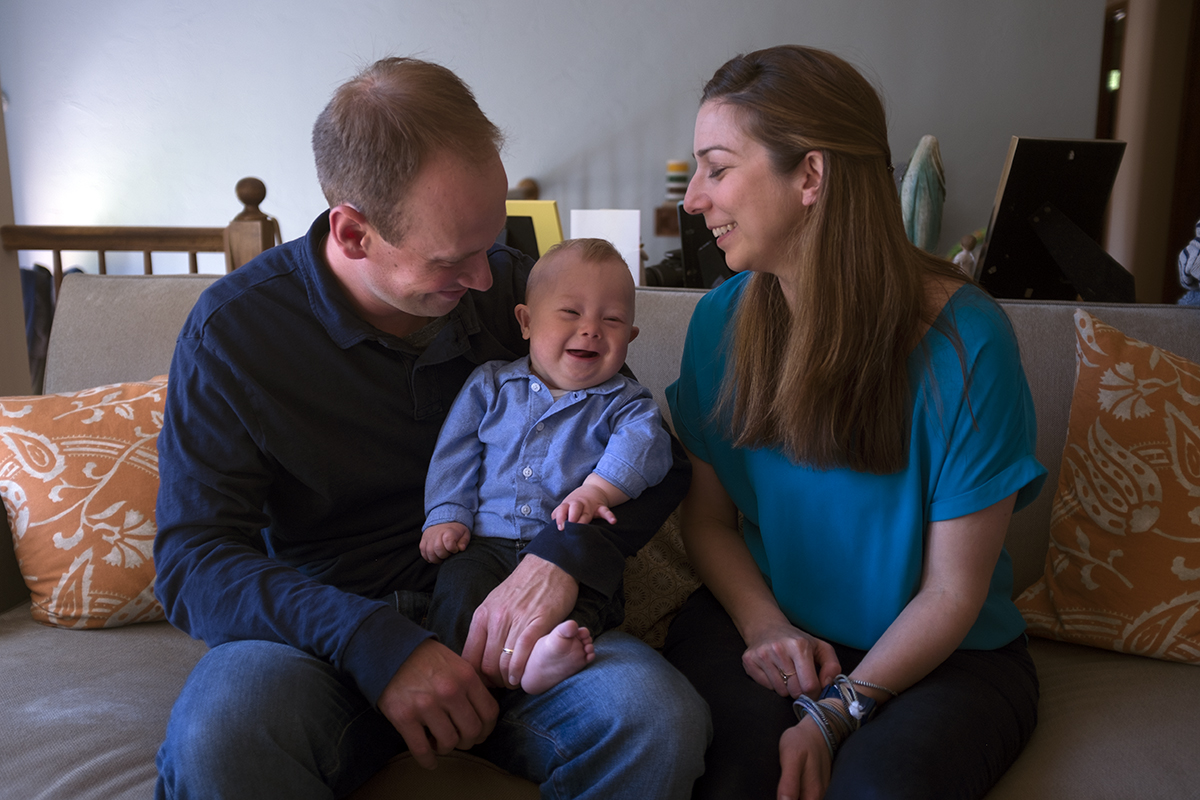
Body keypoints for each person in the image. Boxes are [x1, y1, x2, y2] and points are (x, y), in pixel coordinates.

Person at [152, 57, 708, 800]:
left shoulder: (515, 288)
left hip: (512, 619)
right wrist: (369, 639)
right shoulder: (235, 334)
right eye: (455, 259)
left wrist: (563, 559)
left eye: (492, 241)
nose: (486, 279)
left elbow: (651, 455)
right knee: (218, 737)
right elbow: (192, 560)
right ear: (353, 234)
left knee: (656, 718)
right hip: (326, 637)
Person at [661, 45, 1047, 800]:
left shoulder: (968, 344)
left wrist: (840, 711)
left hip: (947, 654)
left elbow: (950, 593)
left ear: (810, 175)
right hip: (775, 630)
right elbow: (707, 524)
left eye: (717, 167)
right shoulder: (718, 324)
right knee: (740, 775)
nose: (693, 200)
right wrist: (766, 627)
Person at [421, 238, 672, 694]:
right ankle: (458, 680)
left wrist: (597, 491)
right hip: (486, 541)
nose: (591, 329)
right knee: (459, 589)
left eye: (612, 320)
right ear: (526, 321)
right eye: (571, 313)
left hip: (566, 547)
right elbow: (455, 453)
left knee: (589, 597)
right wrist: (446, 515)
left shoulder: (626, 403)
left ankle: (545, 659)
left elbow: (644, 449)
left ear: (630, 339)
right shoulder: (491, 384)